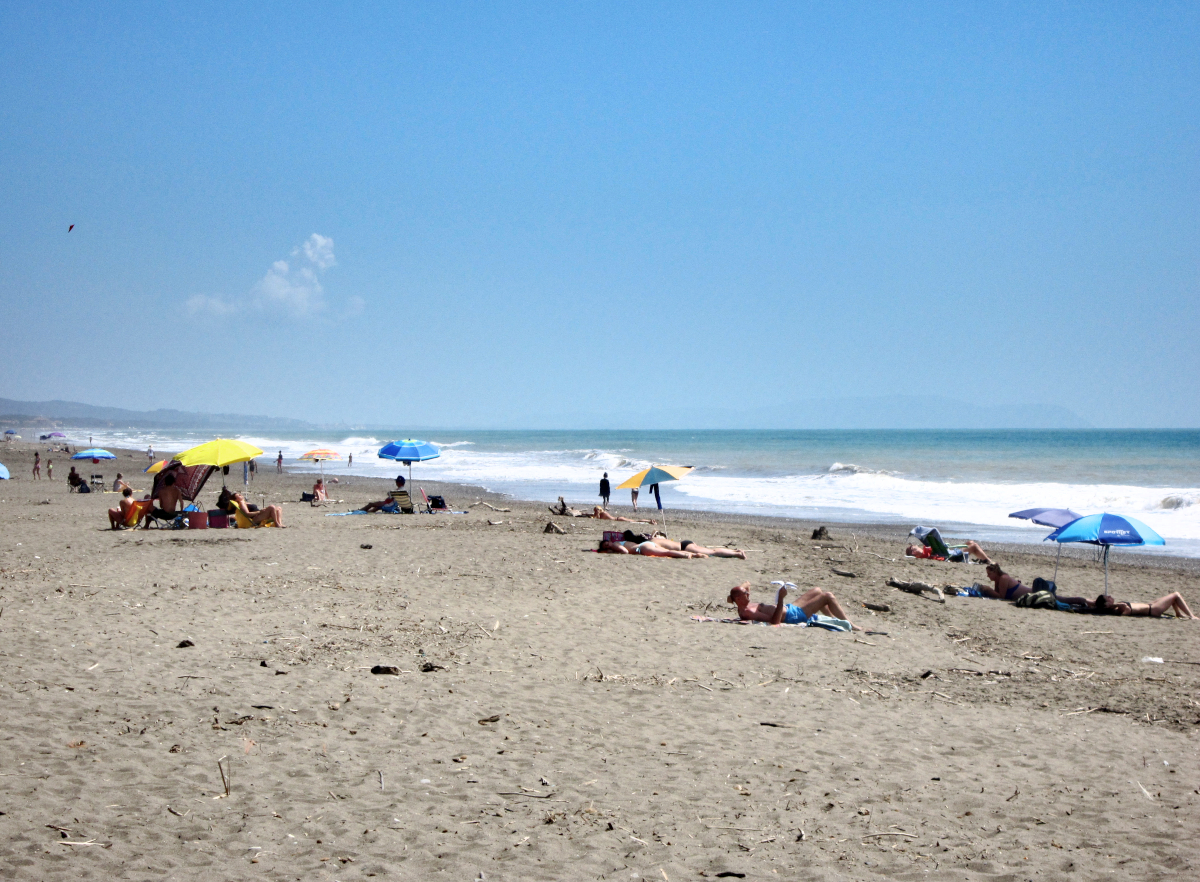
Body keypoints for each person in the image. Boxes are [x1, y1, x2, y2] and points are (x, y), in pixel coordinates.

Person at [727, 581, 860, 630]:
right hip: (793, 616)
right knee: (827, 596)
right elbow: (775, 621)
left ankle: (834, 619)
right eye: (746, 594)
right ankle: (851, 625)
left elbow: (747, 583)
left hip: (791, 608)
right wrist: (780, 599)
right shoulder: (747, 612)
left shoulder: (743, 602)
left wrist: (730, 598)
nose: (749, 594)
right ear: (739, 599)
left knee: (817, 591)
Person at [1085, 592, 1197, 619]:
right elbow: (1124, 606)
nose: (1110, 596)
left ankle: (1178, 613)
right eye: (1108, 598)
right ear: (1107, 604)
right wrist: (1112, 605)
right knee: (1176, 595)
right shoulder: (1117, 610)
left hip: (1150, 605)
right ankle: (1192, 616)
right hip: (1152, 610)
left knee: (1171, 598)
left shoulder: (1115, 609)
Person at [636, 533, 747, 559]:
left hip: (684, 547)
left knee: (712, 552)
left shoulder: (652, 543)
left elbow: (664, 550)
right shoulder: (656, 538)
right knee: (710, 550)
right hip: (684, 543)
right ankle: (735, 551)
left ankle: (737, 554)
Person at [597, 539, 705, 558]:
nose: (609, 546)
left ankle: (686, 555)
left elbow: (625, 551)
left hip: (642, 547)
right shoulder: (621, 542)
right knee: (665, 552)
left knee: (666, 553)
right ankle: (695, 555)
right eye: (607, 546)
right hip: (647, 544)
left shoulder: (616, 545)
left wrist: (614, 551)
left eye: (607, 544)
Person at [905, 540, 991, 564]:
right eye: (912, 546)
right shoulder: (923, 554)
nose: (915, 545)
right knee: (974, 546)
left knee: (970, 542)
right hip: (951, 556)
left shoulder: (925, 550)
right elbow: (935, 555)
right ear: (913, 552)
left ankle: (984, 559)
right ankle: (988, 561)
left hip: (951, 552)